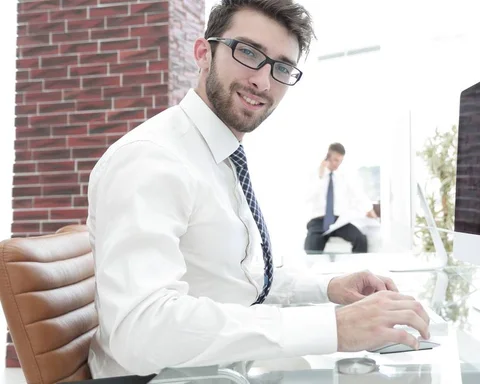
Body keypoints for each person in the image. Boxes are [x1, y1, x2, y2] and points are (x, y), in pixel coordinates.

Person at [86, 0, 430, 378]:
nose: (262, 81)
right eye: (248, 52)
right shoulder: (152, 160)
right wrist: (335, 328)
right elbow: (140, 332)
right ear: (204, 53)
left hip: (217, 369)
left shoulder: (221, 156)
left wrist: (329, 289)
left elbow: (239, 280)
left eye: (281, 67)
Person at [304, 143, 378, 253]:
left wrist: (370, 210)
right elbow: (307, 197)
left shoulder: (344, 176)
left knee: (361, 239)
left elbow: (358, 194)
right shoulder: (315, 175)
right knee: (311, 246)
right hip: (318, 221)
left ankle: (356, 268)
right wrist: (320, 176)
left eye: (340, 161)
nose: (337, 164)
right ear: (328, 156)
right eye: (335, 160)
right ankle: (317, 269)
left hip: (338, 221)